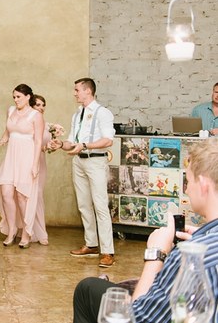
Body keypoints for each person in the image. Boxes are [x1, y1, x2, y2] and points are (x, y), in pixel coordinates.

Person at [72, 137, 218, 323]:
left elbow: (137, 318)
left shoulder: (192, 259)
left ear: (204, 185)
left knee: (87, 289)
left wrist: (156, 254)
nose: (187, 190)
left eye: (187, 181)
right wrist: (204, 234)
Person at [48, 78, 116, 268]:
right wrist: (61, 144)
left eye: (77, 90)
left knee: (100, 206)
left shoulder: (103, 113)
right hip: (79, 162)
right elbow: (72, 141)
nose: (74, 93)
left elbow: (108, 140)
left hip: (96, 161)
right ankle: (91, 244)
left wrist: (85, 145)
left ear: (88, 91)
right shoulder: (77, 114)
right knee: (84, 204)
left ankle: (108, 251)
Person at [0, 84, 45, 248]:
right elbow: (7, 134)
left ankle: (27, 233)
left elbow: (38, 141)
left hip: (27, 158)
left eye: (18, 97)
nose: (15, 100)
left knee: (22, 196)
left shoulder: (36, 115)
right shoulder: (10, 111)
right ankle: (12, 229)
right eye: (14, 97)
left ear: (28, 97)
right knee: (6, 192)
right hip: (11, 158)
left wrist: (35, 164)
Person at [31, 94, 50, 245]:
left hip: (41, 163)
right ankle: (27, 230)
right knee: (27, 195)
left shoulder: (47, 125)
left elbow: (45, 146)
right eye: (38, 105)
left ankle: (40, 231)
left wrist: (50, 146)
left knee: (38, 195)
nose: (41, 108)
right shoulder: (28, 123)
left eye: (43, 105)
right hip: (28, 161)